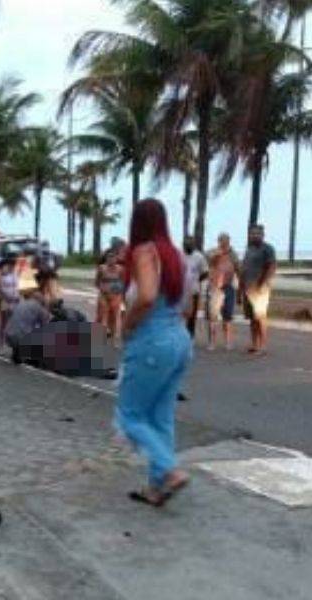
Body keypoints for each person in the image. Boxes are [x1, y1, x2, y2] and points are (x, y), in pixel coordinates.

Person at [117, 198, 192, 507]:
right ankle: (156, 486)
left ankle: (170, 470)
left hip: (151, 340)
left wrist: (126, 324)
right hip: (178, 337)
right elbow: (186, 302)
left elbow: (146, 296)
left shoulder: (144, 252)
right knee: (160, 417)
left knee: (129, 416)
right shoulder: (176, 255)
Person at [239, 225, 276, 356]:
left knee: (260, 317)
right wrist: (240, 288)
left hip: (260, 289)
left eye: (257, 234)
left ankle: (263, 346)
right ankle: (255, 344)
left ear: (262, 235)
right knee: (252, 318)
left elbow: (271, 267)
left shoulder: (267, 249)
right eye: (252, 234)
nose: (255, 236)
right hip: (248, 289)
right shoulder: (249, 249)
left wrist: (263, 284)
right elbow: (244, 269)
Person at [206, 233, 239, 351]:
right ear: (219, 241)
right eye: (222, 240)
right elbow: (209, 259)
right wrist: (219, 253)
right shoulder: (213, 252)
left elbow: (237, 268)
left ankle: (228, 342)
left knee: (228, 316)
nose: (225, 243)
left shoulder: (233, 254)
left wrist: (240, 287)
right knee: (213, 316)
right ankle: (212, 342)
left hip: (228, 287)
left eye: (227, 240)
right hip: (215, 288)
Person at [182, 236, 208, 338]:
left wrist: (196, 280)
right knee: (180, 314)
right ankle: (180, 336)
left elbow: (205, 272)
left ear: (194, 244)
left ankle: (190, 337)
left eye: (190, 243)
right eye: (186, 243)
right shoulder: (179, 254)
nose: (188, 244)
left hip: (193, 291)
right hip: (180, 291)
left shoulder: (199, 257)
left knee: (192, 316)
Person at [95, 250, 125, 341]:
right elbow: (97, 281)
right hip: (104, 295)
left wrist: (119, 292)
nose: (111, 259)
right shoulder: (102, 268)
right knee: (104, 315)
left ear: (116, 259)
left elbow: (123, 282)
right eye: (109, 257)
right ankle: (103, 336)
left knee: (116, 315)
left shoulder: (120, 269)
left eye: (113, 257)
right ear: (106, 258)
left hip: (116, 295)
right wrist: (103, 288)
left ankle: (115, 336)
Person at [0, 254, 21, 349]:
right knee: (3, 323)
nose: (12, 266)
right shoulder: (1, 274)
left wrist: (18, 297)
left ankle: (12, 343)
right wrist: (7, 297)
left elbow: (17, 287)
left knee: (14, 323)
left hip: (15, 300)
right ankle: (1, 344)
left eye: (13, 264)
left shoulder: (15, 274)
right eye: (10, 264)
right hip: (4, 301)